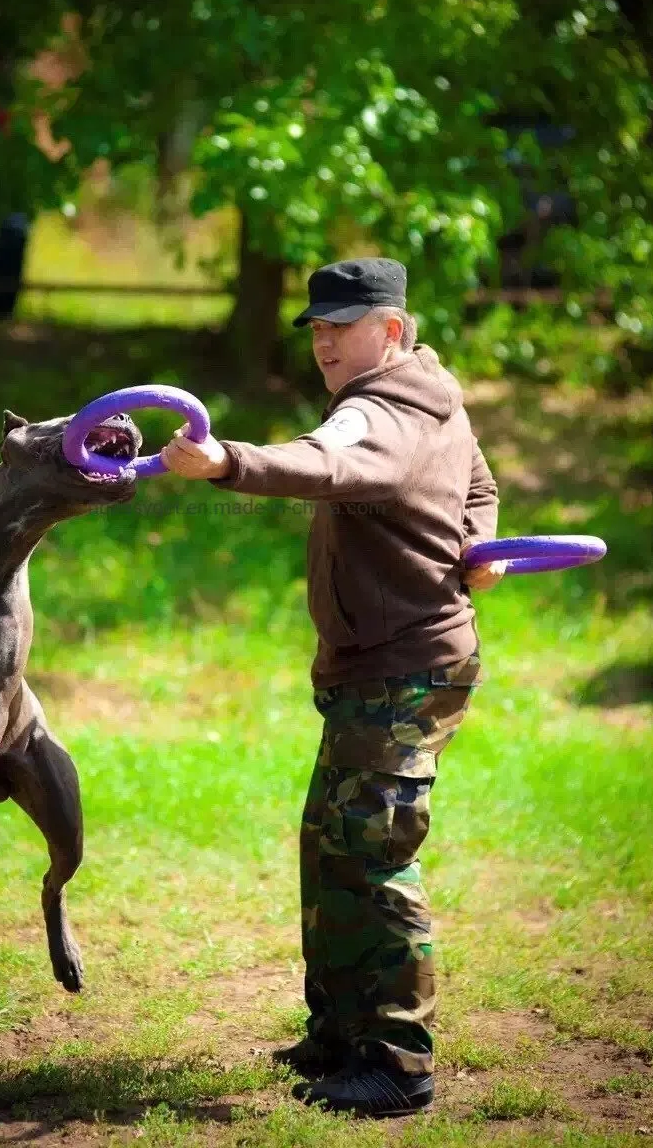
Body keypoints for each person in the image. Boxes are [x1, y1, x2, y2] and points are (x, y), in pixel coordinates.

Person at [160, 258, 504, 1118]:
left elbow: (326, 463)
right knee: (330, 845)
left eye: (339, 326)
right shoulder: (436, 398)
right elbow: (482, 486)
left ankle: (397, 1062)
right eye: (315, 327)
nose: (322, 342)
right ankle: (340, 1035)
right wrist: (478, 543)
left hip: (406, 669)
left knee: (374, 853)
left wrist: (223, 463)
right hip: (371, 667)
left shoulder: (378, 409)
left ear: (390, 331)